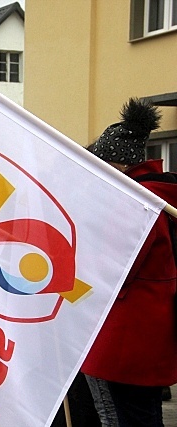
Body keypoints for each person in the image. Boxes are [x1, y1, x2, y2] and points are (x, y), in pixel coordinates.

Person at [82, 98, 177, 426]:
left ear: (118, 164)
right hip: (147, 337)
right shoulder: (159, 195)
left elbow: (113, 268)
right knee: (145, 416)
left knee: (119, 419)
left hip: (121, 341)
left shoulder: (136, 203)